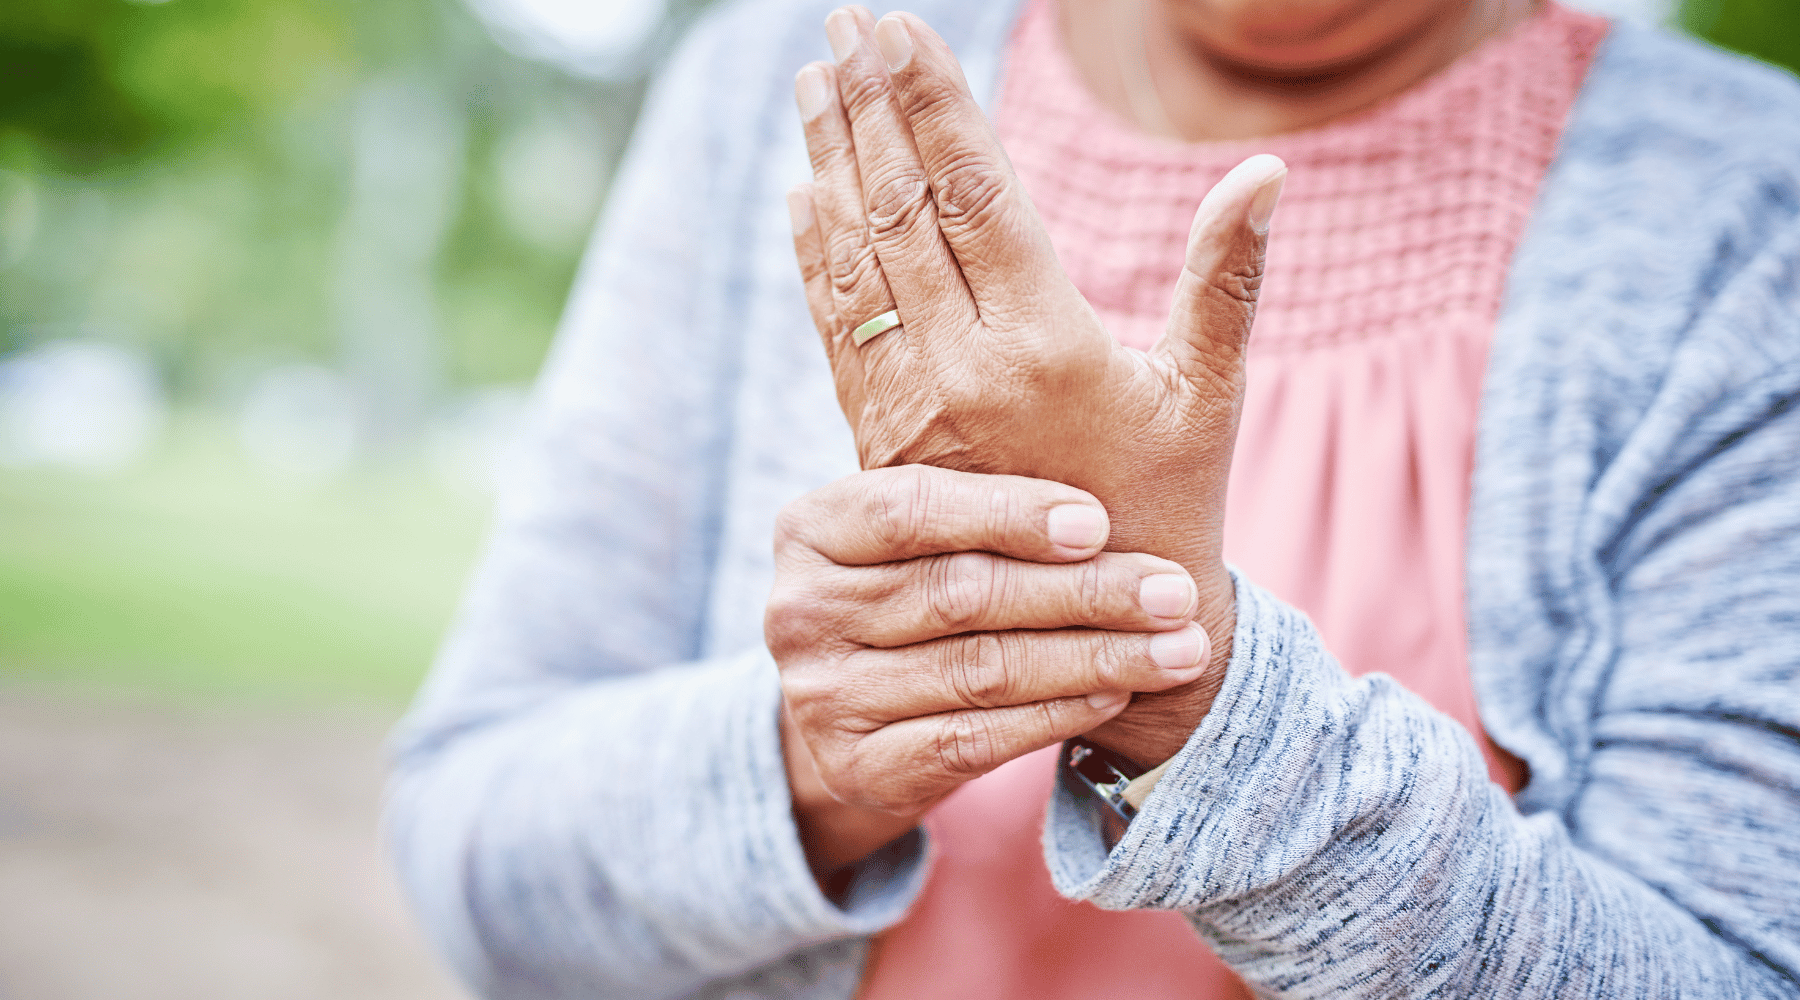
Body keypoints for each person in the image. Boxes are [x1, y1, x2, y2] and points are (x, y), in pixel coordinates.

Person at [385, 0, 1800, 995]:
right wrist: (809, 759)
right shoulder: (782, 86)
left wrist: (1194, 699)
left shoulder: (1744, 203)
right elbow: (481, 876)